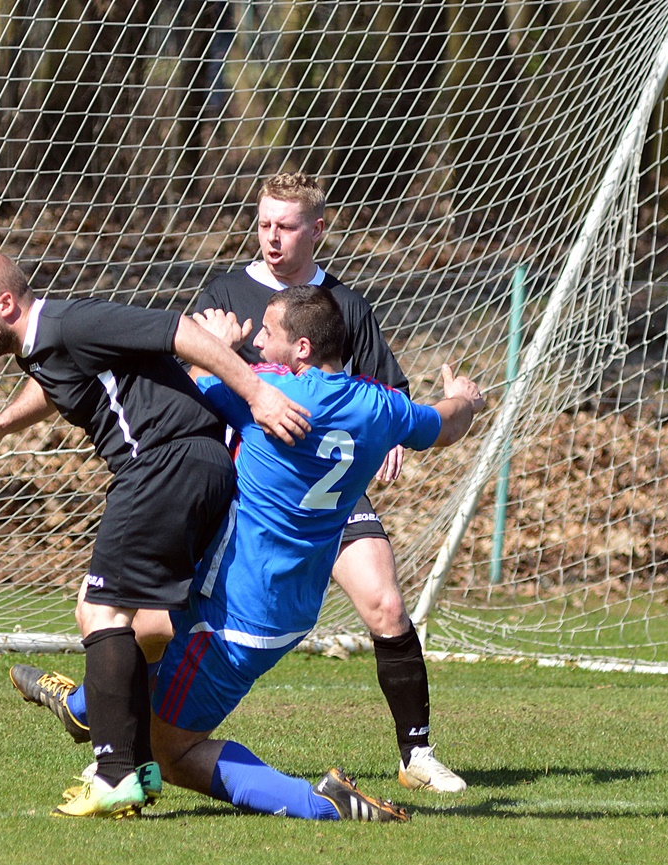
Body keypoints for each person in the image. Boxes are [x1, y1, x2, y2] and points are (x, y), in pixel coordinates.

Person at [23, 286, 485, 820]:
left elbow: (182, 394)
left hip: (238, 610)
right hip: (283, 602)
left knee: (178, 750)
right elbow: (446, 421)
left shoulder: (267, 396)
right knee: (127, 624)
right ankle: (83, 708)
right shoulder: (380, 405)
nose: (257, 339)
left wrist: (215, 344)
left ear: (303, 349)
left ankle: (320, 804)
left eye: (268, 332)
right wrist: (466, 398)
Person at [0, 253, 309, 818]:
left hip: (162, 465)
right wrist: (0, 424)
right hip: (185, 466)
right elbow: (55, 386)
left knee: (101, 613)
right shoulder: (47, 347)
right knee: (142, 624)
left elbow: (178, 331)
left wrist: (257, 393)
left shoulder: (72, 322)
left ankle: (114, 772)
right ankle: (132, 757)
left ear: (4, 304)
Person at [190, 172, 464, 791]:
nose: (271, 237)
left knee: (386, 602)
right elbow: (194, 369)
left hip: (335, 487)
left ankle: (416, 756)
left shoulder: (346, 305)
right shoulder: (227, 291)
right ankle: (117, 722)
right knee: (179, 613)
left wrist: (391, 432)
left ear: (317, 229)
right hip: (251, 492)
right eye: (263, 223)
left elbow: (387, 389)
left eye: (286, 226)